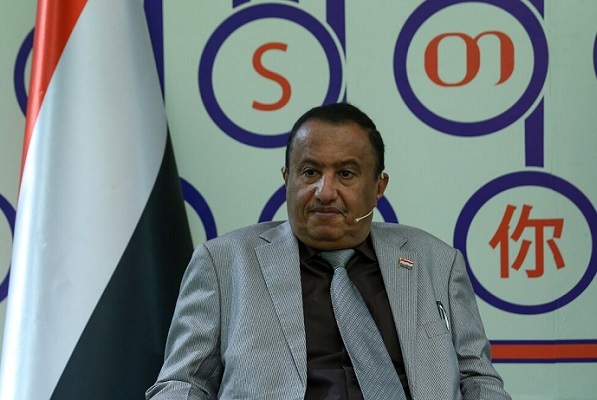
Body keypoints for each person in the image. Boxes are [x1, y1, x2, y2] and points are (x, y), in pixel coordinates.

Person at [146, 103, 511, 399]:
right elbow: (183, 383)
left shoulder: (435, 262)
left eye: (346, 174)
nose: (324, 191)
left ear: (379, 186)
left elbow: (478, 380)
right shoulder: (224, 263)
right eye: (310, 172)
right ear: (287, 178)